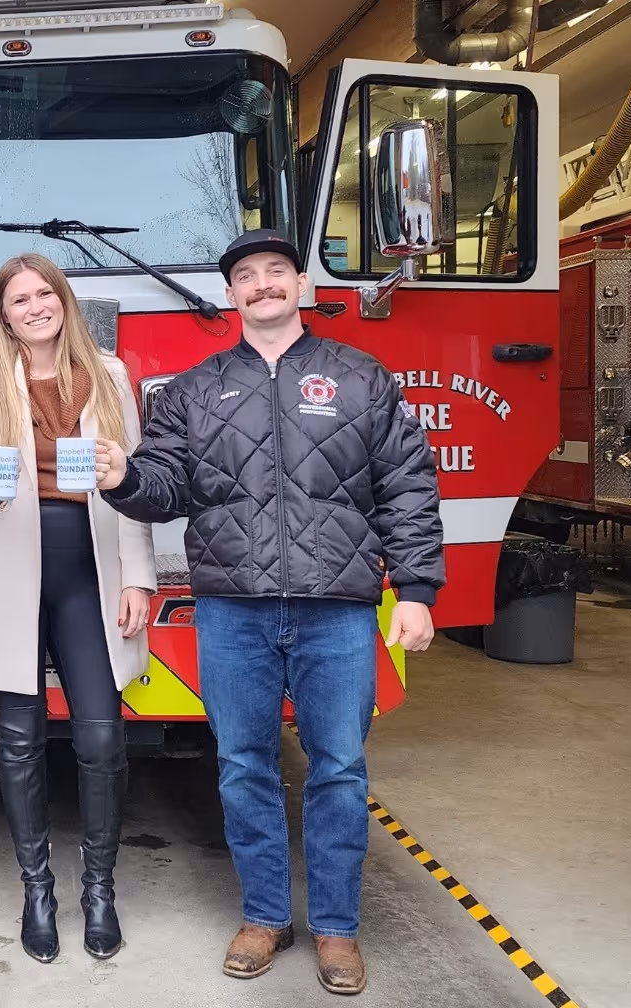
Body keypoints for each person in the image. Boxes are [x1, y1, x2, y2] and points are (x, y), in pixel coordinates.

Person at [97, 229, 442, 996]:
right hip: (233, 610)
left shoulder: (360, 377)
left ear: (299, 284)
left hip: (338, 610)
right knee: (243, 767)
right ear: (231, 296)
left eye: (275, 273)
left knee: (341, 770)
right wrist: (123, 477)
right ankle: (263, 916)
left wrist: (416, 590)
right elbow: (165, 488)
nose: (261, 286)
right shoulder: (195, 389)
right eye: (246, 277)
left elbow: (409, 487)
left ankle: (336, 929)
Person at [0, 253, 155, 963]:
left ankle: (100, 889)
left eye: (44, 294)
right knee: (20, 739)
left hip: (89, 570)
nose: (34, 307)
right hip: (7, 564)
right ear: (0, 314)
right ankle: (37, 891)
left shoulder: (111, 374)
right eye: (18, 299)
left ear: (63, 300)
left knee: (101, 738)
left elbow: (131, 483)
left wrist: (138, 579)